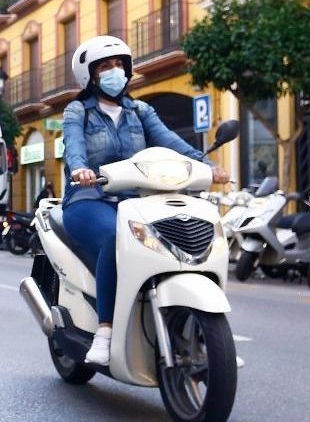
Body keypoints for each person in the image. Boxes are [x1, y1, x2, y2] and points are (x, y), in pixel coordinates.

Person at [61, 36, 229, 367]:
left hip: (136, 200)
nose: (115, 71)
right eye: (105, 67)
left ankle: (204, 340)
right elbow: (73, 144)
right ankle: (105, 333)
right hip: (89, 198)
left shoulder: (140, 111)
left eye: (119, 65)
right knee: (115, 238)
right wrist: (79, 167)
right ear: (91, 76)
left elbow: (171, 142)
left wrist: (207, 167)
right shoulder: (78, 110)